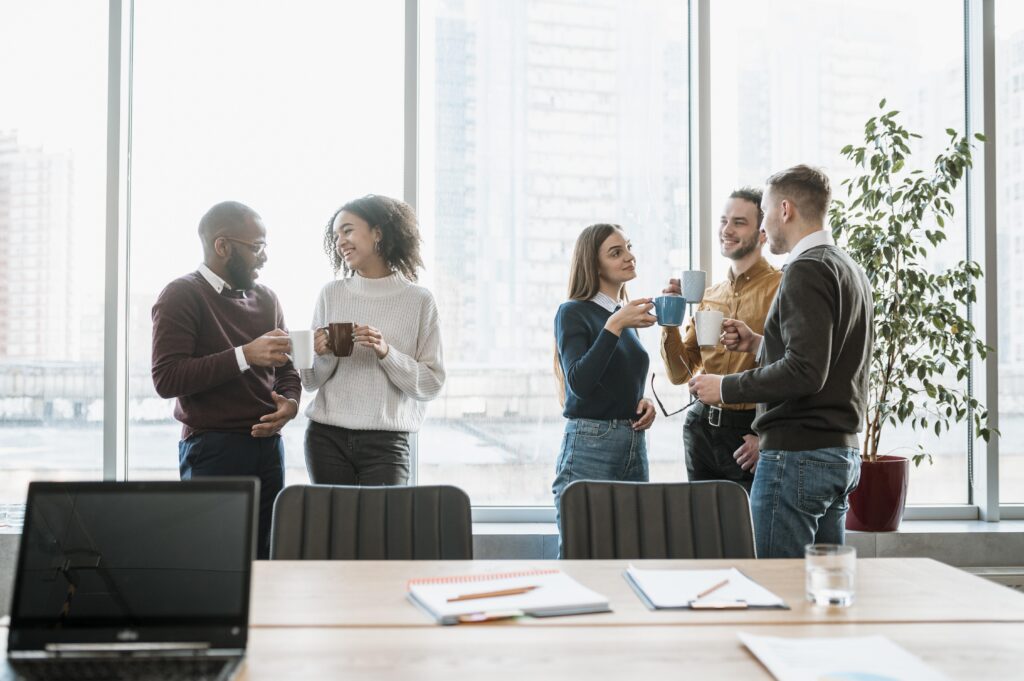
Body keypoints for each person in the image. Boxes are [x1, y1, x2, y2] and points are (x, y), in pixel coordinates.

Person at [689, 165, 873, 558]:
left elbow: (805, 371)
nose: (765, 225)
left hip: (797, 460)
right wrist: (758, 343)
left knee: (778, 594)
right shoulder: (846, 267)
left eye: (767, 211)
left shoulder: (805, 268)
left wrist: (724, 387)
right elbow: (825, 358)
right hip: (838, 455)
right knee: (820, 595)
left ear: (785, 210)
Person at [152, 200, 301, 560]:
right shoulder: (181, 295)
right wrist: (245, 355)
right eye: (257, 247)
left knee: (265, 558)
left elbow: (287, 369)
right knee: (213, 562)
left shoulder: (268, 299)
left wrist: (291, 403)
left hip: (268, 449)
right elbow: (167, 378)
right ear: (223, 246)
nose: (264, 256)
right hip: (212, 449)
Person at [301, 194, 444, 485]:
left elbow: (430, 384)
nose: (340, 241)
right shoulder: (331, 294)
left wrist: (385, 352)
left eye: (348, 230)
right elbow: (310, 381)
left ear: (378, 233)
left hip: (387, 444)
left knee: (382, 530)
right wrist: (323, 353)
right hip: (326, 438)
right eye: (336, 235)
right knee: (335, 529)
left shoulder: (419, 301)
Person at [660, 188, 781, 493]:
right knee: (704, 531)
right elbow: (679, 373)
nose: (727, 230)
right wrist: (669, 319)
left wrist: (766, 436)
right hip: (700, 426)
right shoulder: (710, 295)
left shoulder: (781, 289)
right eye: (724, 220)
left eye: (739, 222)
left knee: (748, 534)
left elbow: (795, 368)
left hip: (748, 434)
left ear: (763, 233)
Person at [552, 223, 657, 534]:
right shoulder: (573, 312)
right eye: (616, 252)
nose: (629, 256)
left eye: (628, 247)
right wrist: (614, 326)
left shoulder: (623, 315)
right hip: (590, 445)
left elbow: (617, 378)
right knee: (582, 555)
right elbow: (579, 383)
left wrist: (642, 401)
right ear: (593, 264)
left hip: (633, 445)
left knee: (632, 551)